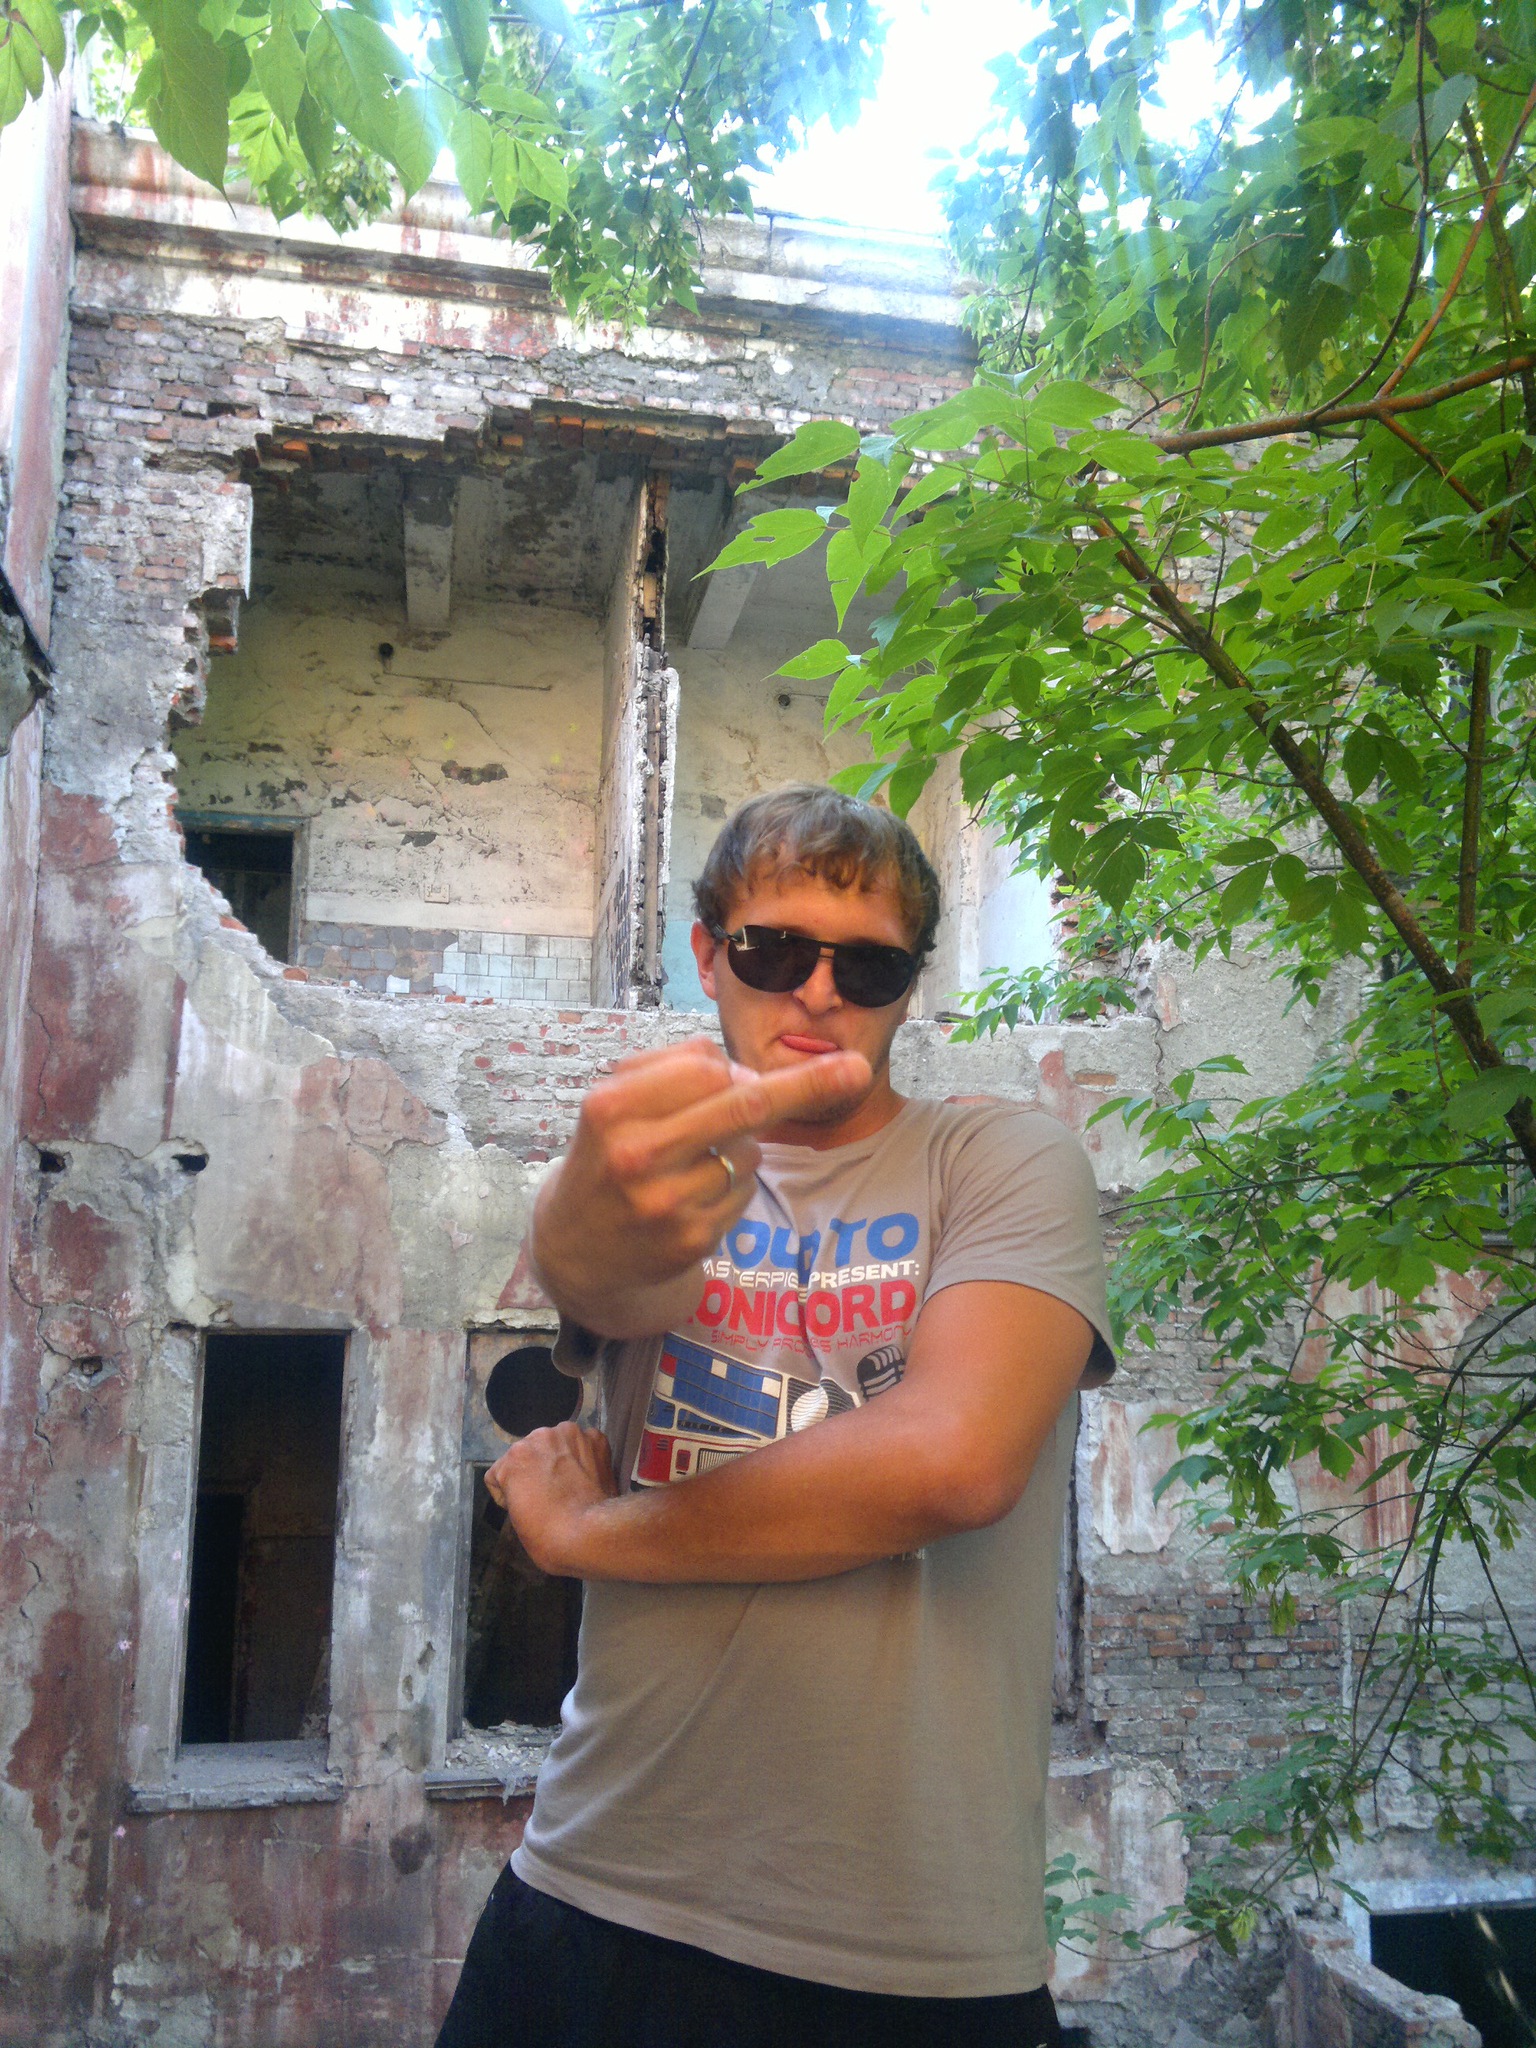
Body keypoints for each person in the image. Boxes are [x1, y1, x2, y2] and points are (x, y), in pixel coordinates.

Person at [436, 784, 1115, 2048]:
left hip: (911, 1955)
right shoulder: (661, 1176)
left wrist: (587, 1534)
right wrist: (572, 1210)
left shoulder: (1000, 1162)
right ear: (708, 954)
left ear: (910, 985)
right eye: (774, 949)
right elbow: (608, 1275)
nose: (817, 991)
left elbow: (953, 1462)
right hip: (593, 1887)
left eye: (867, 963)